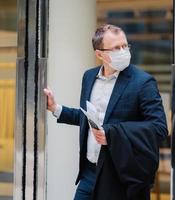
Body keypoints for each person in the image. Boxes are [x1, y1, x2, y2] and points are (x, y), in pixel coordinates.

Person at [44, 24, 168, 200]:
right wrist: (55, 108)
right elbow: (89, 117)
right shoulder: (89, 77)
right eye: (116, 48)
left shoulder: (143, 82)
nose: (123, 51)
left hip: (119, 176)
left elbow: (159, 128)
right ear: (99, 54)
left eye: (125, 46)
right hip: (88, 173)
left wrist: (112, 133)